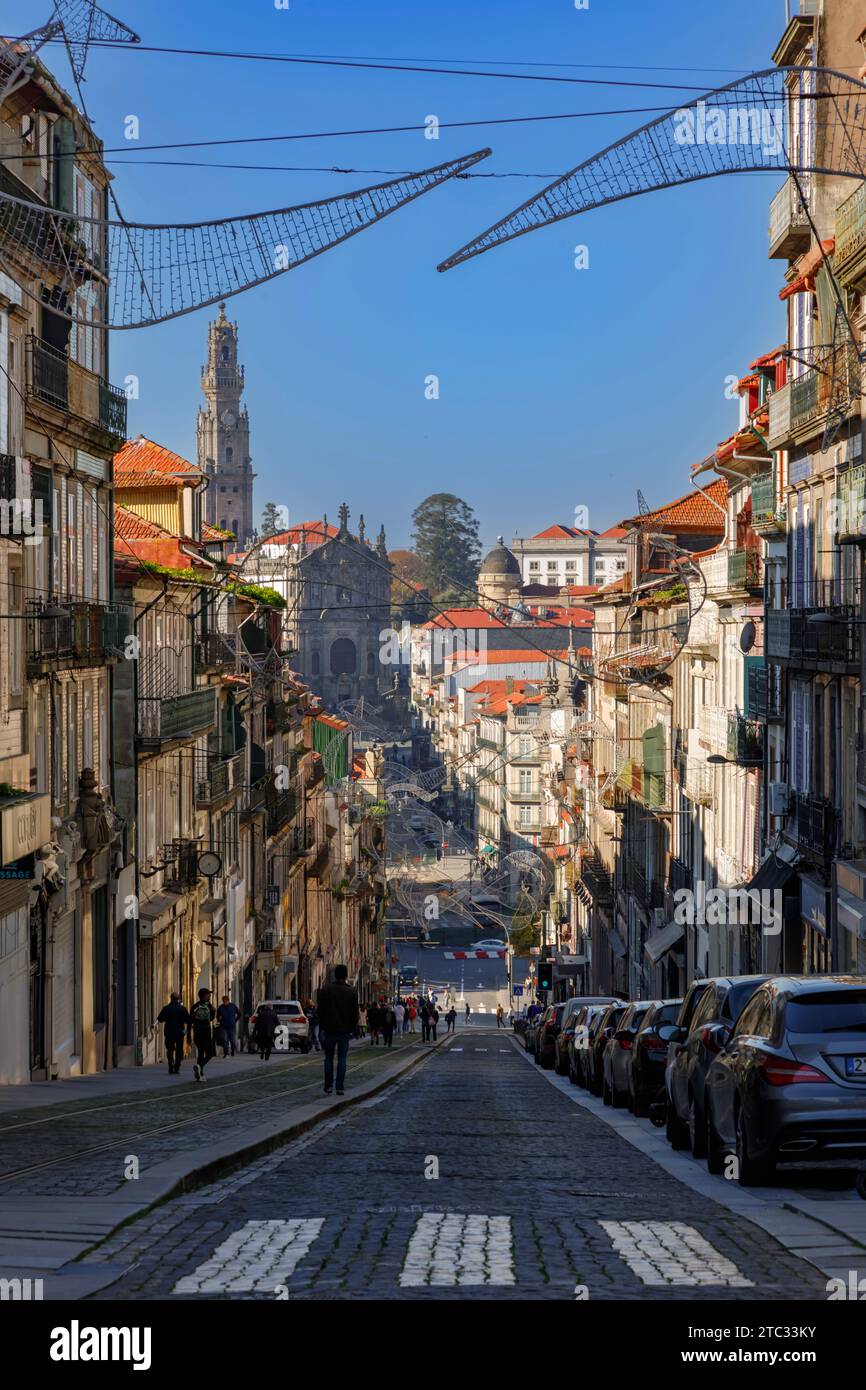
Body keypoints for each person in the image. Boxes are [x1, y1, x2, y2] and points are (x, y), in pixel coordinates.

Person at [317, 964, 360, 1096]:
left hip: (329, 1029)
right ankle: (339, 1087)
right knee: (342, 1059)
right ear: (346, 975)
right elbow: (355, 1014)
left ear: (335, 975)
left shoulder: (325, 990)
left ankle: (328, 1086)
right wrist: (353, 1028)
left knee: (328, 1058)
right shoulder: (352, 992)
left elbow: (321, 1011)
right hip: (344, 1031)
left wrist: (322, 1026)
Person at [157, 992, 190, 1075]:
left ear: (171, 998)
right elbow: (188, 1020)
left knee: (170, 1049)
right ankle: (177, 1067)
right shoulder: (182, 1009)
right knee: (179, 1051)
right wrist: (186, 1031)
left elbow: (160, 1019)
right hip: (180, 1032)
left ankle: (170, 1065)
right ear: (178, 999)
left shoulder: (166, 1008)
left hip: (169, 1032)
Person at [189, 988, 216, 1082]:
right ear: (204, 995)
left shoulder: (195, 1006)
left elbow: (190, 1021)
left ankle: (200, 1073)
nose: (210, 996)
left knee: (201, 1052)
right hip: (206, 1033)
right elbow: (212, 1018)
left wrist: (189, 1035)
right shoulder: (208, 1006)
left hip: (197, 1033)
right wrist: (213, 1010)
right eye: (208, 994)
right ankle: (200, 1066)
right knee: (210, 1053)